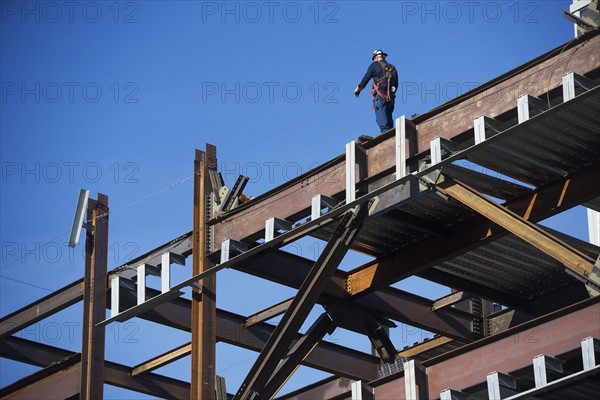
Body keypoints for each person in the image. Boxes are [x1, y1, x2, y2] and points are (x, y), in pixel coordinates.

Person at [354, 49, 398, 132]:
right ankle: (391, 132)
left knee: (381, 117)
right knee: (388, 115)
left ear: (376, 58)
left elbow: (366, 78)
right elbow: (396, 84)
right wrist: (391, 93)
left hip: (380, 94)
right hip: (391, 96)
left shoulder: (374, 65)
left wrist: (358, 89)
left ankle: (386, 134)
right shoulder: (392, 67)